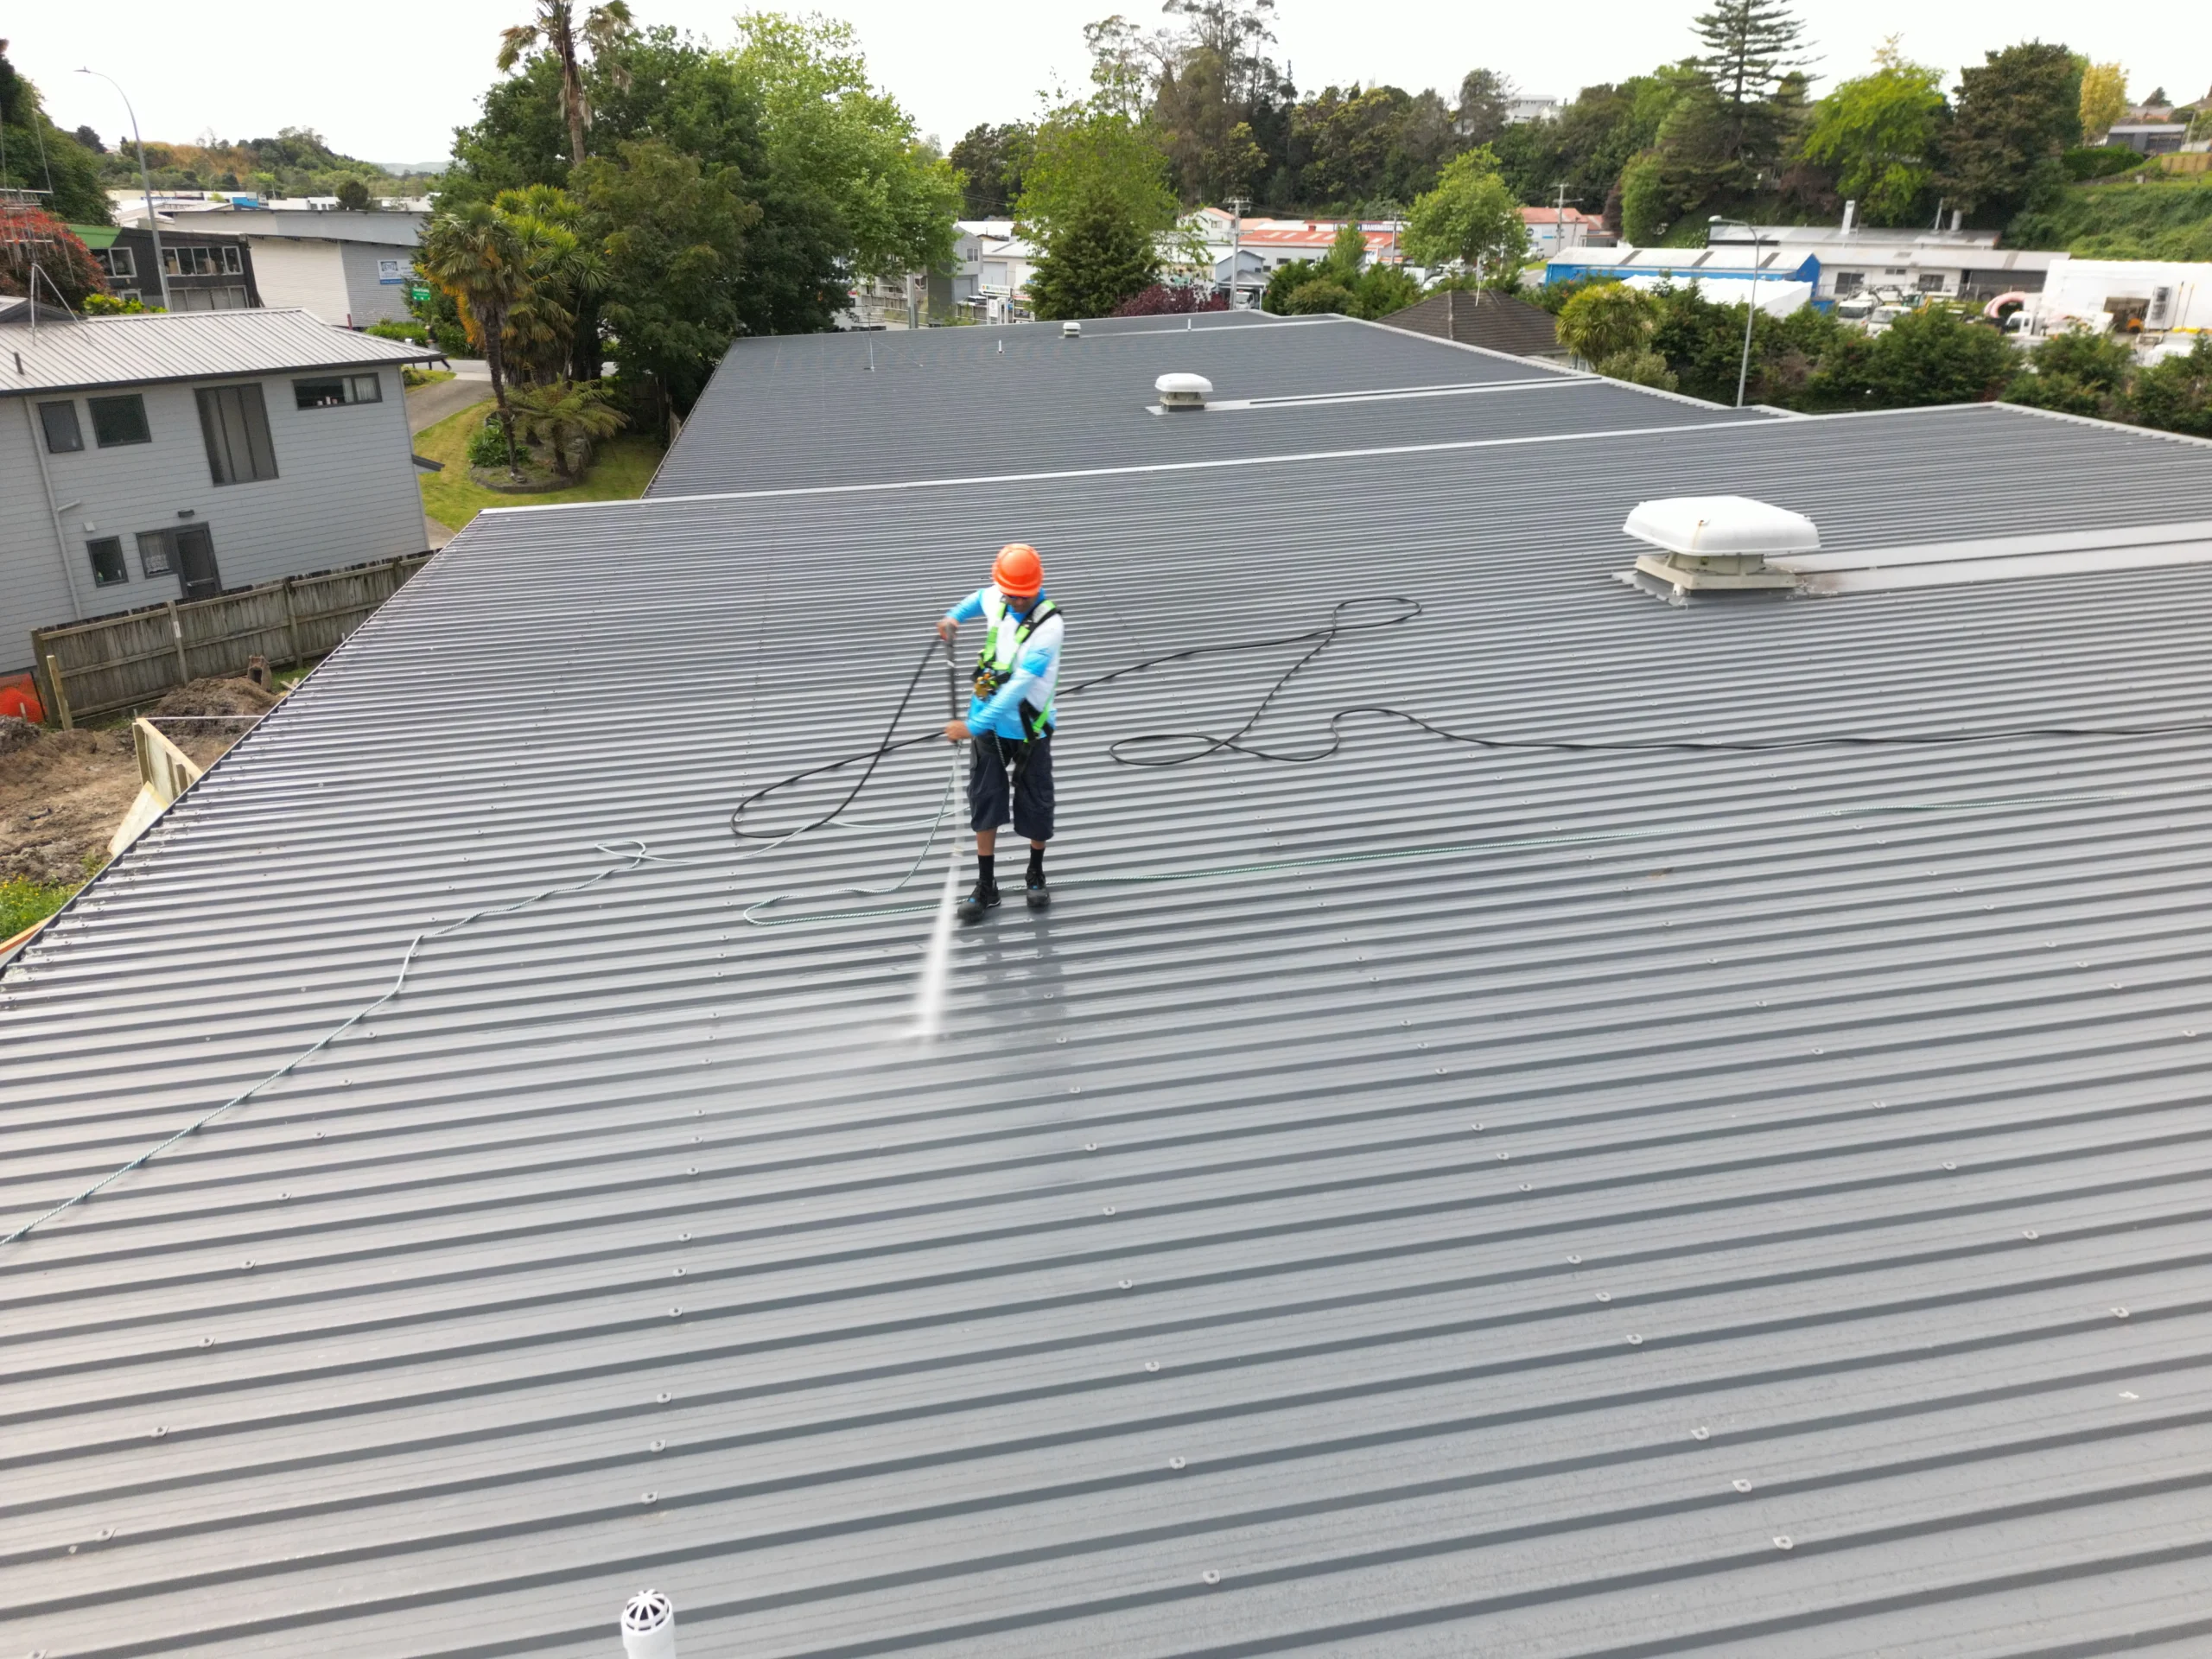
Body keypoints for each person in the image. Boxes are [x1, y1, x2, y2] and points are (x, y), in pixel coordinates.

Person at [938, 543, 1065, 921]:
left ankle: (1035, 873)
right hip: (988, 725)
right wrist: (954, 617)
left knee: (1036, 802)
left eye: (1021, 595)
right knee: (985, 799)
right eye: (1010, 593)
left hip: (1029, 729)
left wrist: (973, 725)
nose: (1014, 600)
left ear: (1035, 588)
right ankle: (986, 885)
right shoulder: (1001, 593)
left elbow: (1019, 687)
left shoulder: (1049, 626)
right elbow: (979, 598)